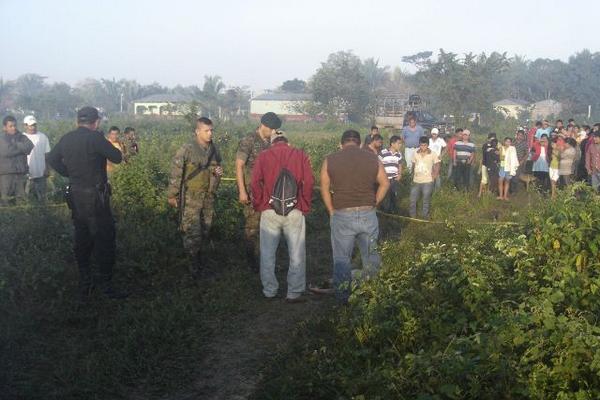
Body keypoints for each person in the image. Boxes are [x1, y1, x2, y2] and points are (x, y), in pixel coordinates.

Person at [46, 107, 126, 301]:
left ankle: (85, 284)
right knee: (105, 239)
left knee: (82, 238)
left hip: (76, 195)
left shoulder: (67, 138)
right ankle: (106, 286)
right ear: (96, 122)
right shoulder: (95, 138)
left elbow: (52, 158)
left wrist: (69, 173)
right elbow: (117, 157)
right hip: (96, 197)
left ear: (77, 121)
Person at [319, 130, 389, 302]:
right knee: (371, 256)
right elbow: (385, 183)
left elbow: (324, 188)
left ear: (341, 144)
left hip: (342, 214)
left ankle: (343, 301)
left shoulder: (330, 160)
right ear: (359, 143)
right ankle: (373, 296)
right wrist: (375, 202)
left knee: (342, 259)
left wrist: (331, 211)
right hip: (367, 212)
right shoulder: (373, 158)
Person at [251, 131, 314, 302]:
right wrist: (304, 204)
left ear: (272, 143)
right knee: (296, 252)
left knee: (268, 253)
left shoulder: (263, 156)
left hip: (269, 209)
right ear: (288, 141)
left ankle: (270, 290)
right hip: (295, 209)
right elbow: (308, 182)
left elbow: (254, 182)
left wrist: (260, 203)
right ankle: (294, 292)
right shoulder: (300, 154)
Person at [167, 117, 222, 278]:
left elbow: (217, 168)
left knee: (206, 229)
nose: (210, 133)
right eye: (206, 130)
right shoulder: (187, 149)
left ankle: (200, 265)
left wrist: (217, 174)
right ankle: (193, 270)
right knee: (192, 232)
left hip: (208, 196)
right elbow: (176, 172)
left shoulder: (214, 149)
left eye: (211, 130)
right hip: (191, 196)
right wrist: (172, 194)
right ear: (197, 131)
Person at [236, 112, 279, 270]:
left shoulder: (271, 141)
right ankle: (252, 263)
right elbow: (239, 165)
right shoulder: (249, 140)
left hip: (269, 192)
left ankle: (264, 260)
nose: (274, 132)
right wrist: (242, 191)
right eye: (272, 129)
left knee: (268, 227)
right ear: (264, 125)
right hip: (252, 192)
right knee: (252, 228)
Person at [0, 116, 33, 206]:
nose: (13, 128)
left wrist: (15, 144)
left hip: (20, 174)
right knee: (5, 200)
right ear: (4, 127)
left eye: (14, 125)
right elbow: (5, 151)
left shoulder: (22, 137)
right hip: (6, 175)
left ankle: (21, 219)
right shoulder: (2, 138)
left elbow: (29, 147)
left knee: (21, 200)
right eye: (10, 126)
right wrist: (21, 149)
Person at [409, 136, 440, 219]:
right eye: (421, 145)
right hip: (416, 180)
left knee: (426, 200)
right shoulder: (415, 153)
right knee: (413, 199)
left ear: (428, 145)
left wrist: (434, 176)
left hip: (428, 181)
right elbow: (413, 164)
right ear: (419, 144)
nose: (423, 147)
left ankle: (425, 216)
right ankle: (412, 216)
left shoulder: (432, 154)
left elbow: (437, 164)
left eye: (425, 145)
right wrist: (412, 174)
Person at [22, 115, 51, 203]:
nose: (33, 127)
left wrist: (47, 169)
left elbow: (47, 155)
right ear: (25, 126)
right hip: (27, 175)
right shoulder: (21, 138)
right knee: (26, 198)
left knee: (42, 198)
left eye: (34, 125)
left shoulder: (43, 137)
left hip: (41, 173)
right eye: (30, 125)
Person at [379, 135, 403, 213]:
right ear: (392, 144)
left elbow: (400, 165)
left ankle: (392, 212)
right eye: (398, 143)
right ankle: (384, 212)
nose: (400, 145)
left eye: (400, 143)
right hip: (385, 179)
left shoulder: (399, 154)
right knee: (385, 196)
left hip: (394, 179)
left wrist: (399, 174)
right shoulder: (383, 152)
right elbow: (378, 164)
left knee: (393, 196)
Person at [479, 134, 498, 198]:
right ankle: (480, 193)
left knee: (492, 179)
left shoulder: (496, 146)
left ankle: (489, 193)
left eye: (493, 139)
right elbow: (484, 154)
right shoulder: (485, 145)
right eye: (491, 139)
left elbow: (498, 155)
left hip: (493, 166)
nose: (492, 140)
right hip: (485, 164)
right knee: (484, 179)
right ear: (488, 139)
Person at [512, 129, 529, 193]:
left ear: (523, 136)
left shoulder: (525, 144)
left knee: (517, 175)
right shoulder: (513, 142)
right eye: (519, 135)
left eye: (521, 135)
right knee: (511, 174)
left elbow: (527, 154)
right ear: (517, 135)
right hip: (512, 161)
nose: (520, 137)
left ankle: (514, 191)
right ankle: (512, 189)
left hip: (520, 161)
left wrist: (522, 160)